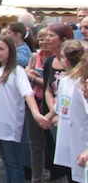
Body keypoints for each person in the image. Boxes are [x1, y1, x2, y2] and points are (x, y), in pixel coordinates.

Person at [0, 36, 49, 183]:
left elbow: (27, 93)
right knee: (6, 163)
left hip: (9, 124)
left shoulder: (17, 71)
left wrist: (36, 114)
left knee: (13, 163)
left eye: (1, 49)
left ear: (10, 51)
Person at [50, 40, 88, 182]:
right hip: (68, 142)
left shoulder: (81, 84)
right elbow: (60, 107)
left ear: (65, 59)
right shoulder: (65, 80)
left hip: (82, 142)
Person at [41, 23, 74, 182]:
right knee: (54, 155)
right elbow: (48, 89)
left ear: (64, 39)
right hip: (53, 114)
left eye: (51, 35)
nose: (46, 39)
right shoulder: (49, 61)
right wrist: (51, 113)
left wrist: (57, 113)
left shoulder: (76, 64)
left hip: (68, 116)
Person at [26, 27, 51, 183]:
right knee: (35, 144)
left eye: (46, 38)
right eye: (40, 39)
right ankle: (37, 178)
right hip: (33, 101)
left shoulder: (56, 59)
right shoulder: (34, 57)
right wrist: (28, 73)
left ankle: (52, 174)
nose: (43, 42)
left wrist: (33, 77)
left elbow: (51, 85)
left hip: (50, 104)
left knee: (50, 143)